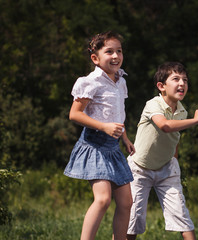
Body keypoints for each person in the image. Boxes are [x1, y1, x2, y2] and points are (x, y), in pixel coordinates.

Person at [126, 62, 198, 240]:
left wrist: (175, 163)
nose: (182, 83)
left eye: (185, 80)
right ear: (161, 86)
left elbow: (174, 137)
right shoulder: (153, 104)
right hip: (139, 168)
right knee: (132, 219)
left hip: (166, 169)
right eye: (176, 79)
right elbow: (165, 126)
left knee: (182, 215)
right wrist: (195, 120)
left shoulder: (182, 112)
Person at [64, 31, 135, 240]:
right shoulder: (90, 81)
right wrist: (103, 127)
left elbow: (118, 114)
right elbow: (74, 114)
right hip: (94, 145)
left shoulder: (121, 80)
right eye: (109, 51)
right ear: (95, 58)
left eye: (119, 51)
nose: (116, 56)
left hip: (114, 147)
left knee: (126, 202)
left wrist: (125, 138)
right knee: (103, 199)